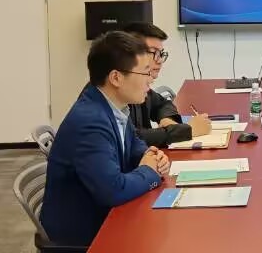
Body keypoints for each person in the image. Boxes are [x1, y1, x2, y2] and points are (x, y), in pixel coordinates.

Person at [41, 31, 171, 247]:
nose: (150, 80)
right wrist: (150, 171)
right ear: (116, 78)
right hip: (87, 236)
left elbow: (134, 145)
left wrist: (152, 156)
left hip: (106, 216)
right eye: (144, 72)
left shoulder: (113, 106)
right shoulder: (90, 122)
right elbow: (114, 190)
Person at [122, 22, 211, 147]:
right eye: (154, 53)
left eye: (161, 53)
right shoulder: (118, 92)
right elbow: (130, 138)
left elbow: (162, 104)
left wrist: (167, 120)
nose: (159, 61)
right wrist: (186, 131)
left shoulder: (140, 87)